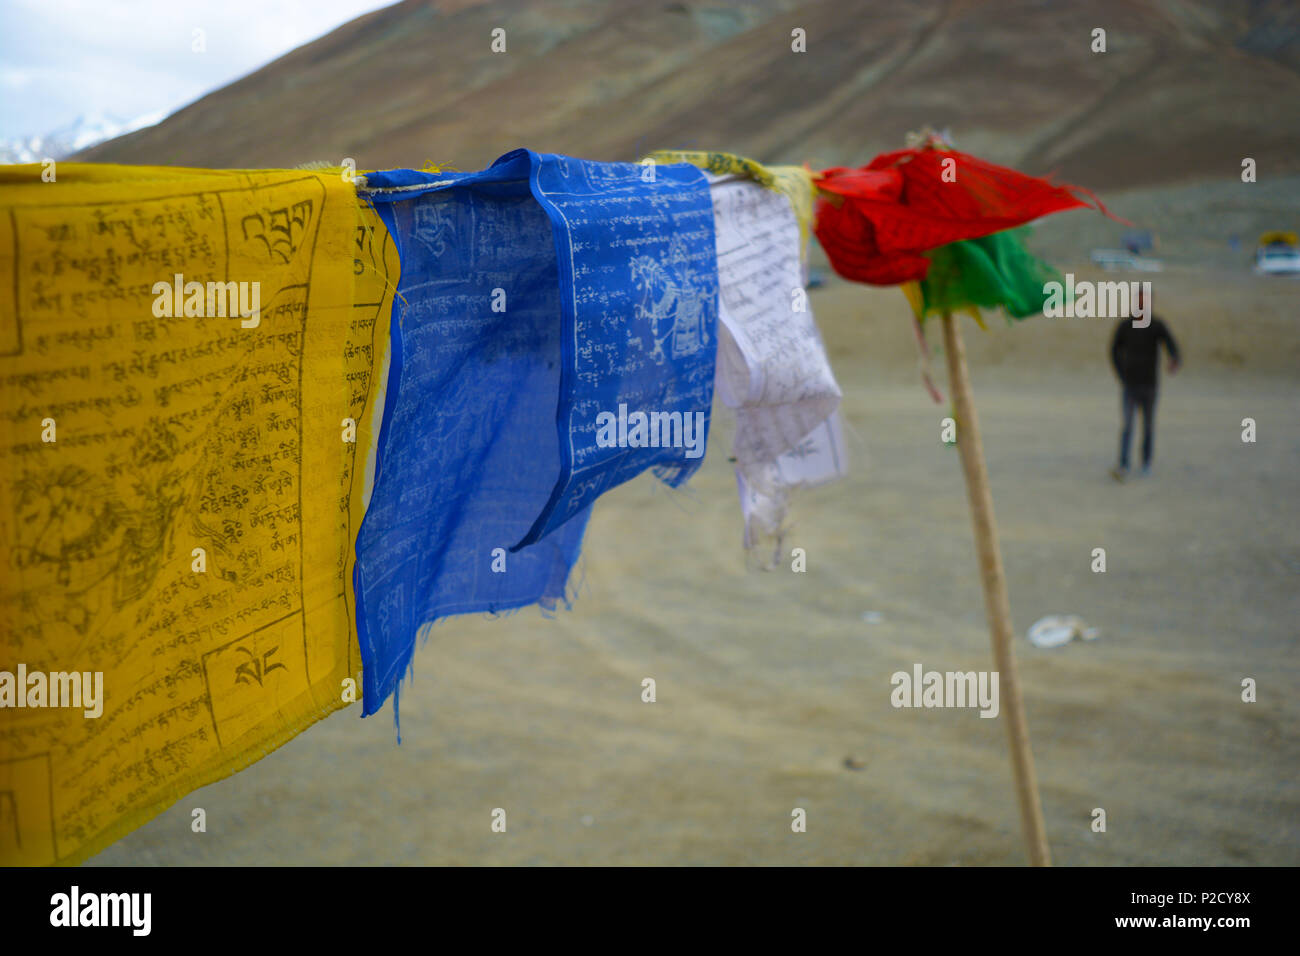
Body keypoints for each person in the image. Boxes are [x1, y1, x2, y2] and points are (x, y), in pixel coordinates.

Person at [1109, 290, 1180, 480]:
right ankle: (1124, 464)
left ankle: (1146, 463)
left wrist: (1174, 359)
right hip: (1130, 385)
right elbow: (1114, 350)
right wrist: (1121, 373)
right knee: (1128, 426)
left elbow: (1171, 344)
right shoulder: (1125, 325)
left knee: (1148, 426)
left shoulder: (1156, 325)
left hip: (1150, 385)